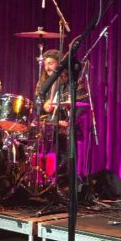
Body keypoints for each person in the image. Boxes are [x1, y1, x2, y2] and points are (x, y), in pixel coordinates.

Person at [34, 49, 86, 189]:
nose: (47, 67)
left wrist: (69, 122)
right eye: (45, 64)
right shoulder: (43, 84)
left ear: (60, 65)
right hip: (48, 126)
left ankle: (65, 185)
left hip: (66, 127)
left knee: (65, 157)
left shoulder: (72, 82)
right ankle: (44, 182)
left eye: (51, 63)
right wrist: (43, 106)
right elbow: (36, 105)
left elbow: (81, 106)